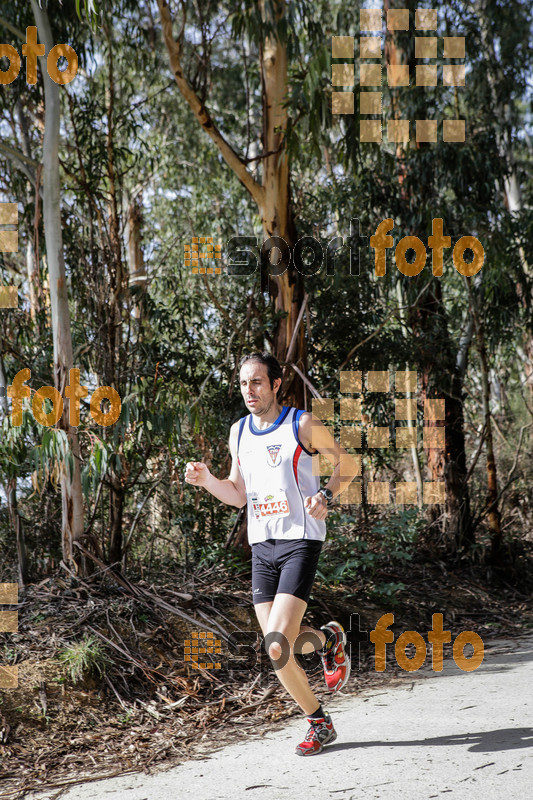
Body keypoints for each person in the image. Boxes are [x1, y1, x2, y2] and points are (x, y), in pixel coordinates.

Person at [185, 352, 359, 756]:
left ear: (276, 384)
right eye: (244, 383)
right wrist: (208, 480)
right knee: (280, 647)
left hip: (300, 539)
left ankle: (317, 722)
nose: (250, 390)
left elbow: (347, 463)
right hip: (262, 546)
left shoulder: (300, 424)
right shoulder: (239, 432)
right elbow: (238, 494)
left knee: (278, 644)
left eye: (258, 382)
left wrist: (326, 495)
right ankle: (330, 643)